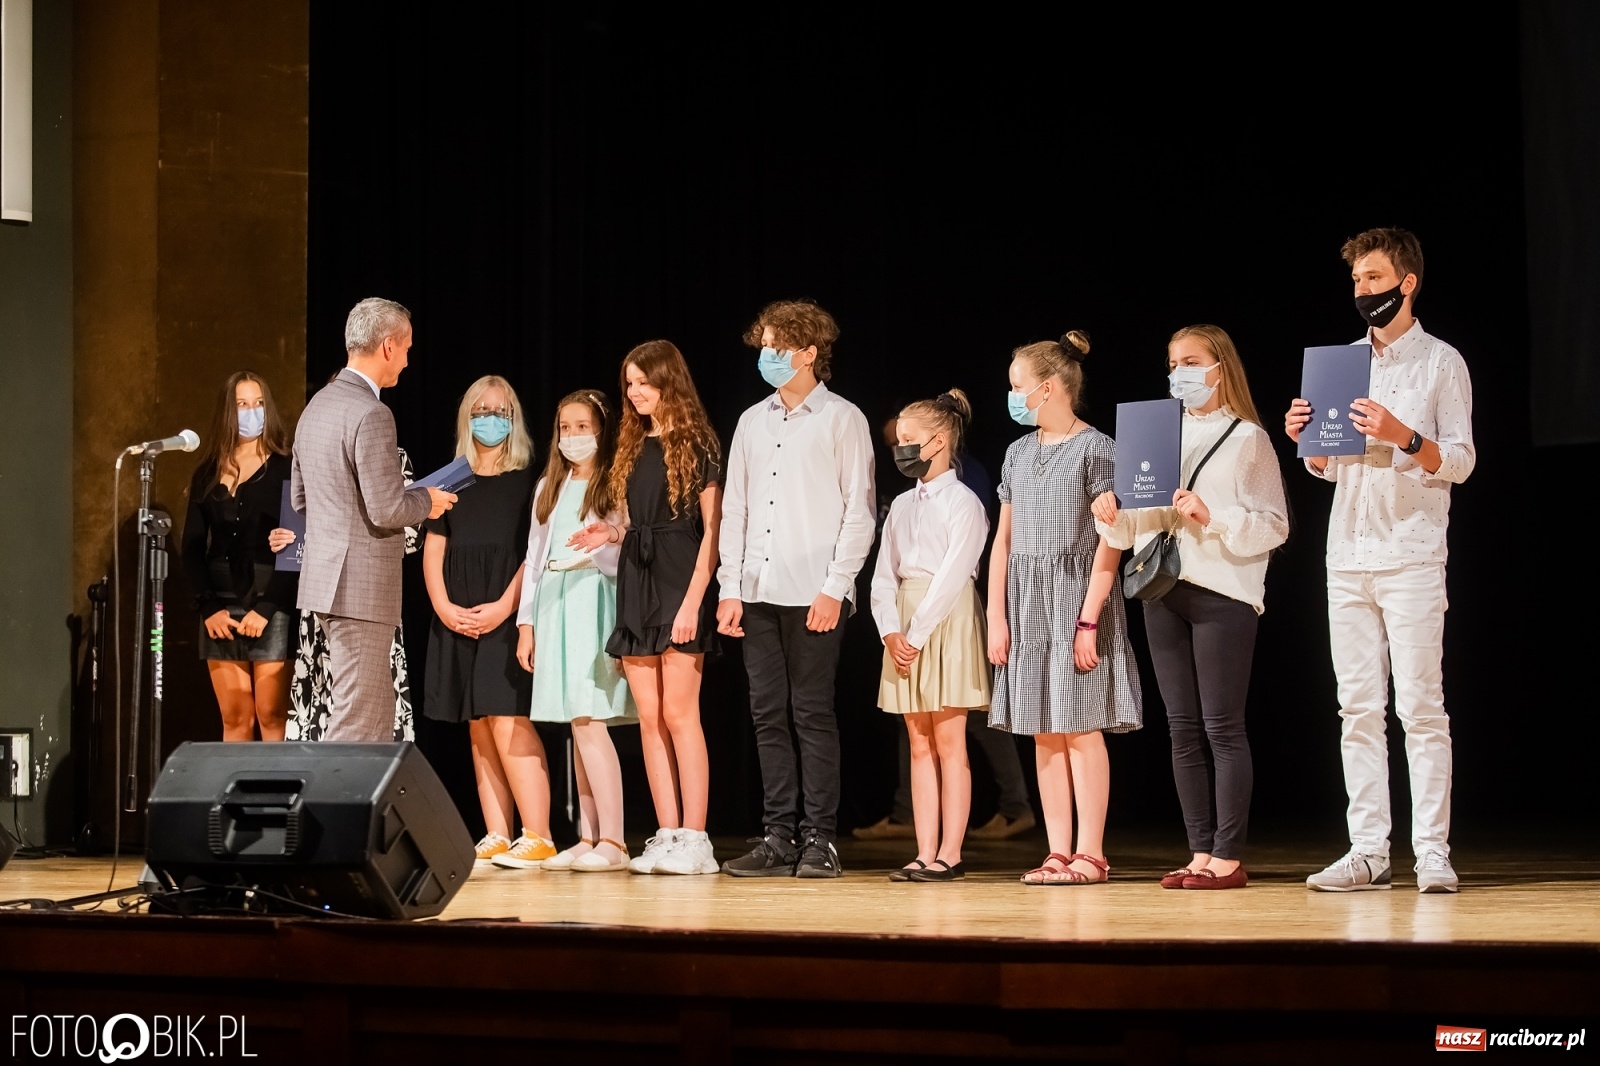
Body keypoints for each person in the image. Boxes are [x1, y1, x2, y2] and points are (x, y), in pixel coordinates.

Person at [1285, 228, 1474, 893]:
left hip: (1414, 554)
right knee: (1357, 708)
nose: (1363, 291)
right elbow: (1332, 467)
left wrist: (1403, 436)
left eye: (1373, 278)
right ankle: (1367, 849)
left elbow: (1460, 460)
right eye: (1357, 281)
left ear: (1407, 282)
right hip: (1349, 553)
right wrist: (1311, 443)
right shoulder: (1340, 362)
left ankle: (1431, 853)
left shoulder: (1441, 362)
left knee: (1421, 708)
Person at [1092, 325, 1288, 890]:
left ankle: (1228, 856)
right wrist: (1112, 511)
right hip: (1162, 590)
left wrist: (1213, 516)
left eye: (1191, 361)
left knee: (1221, 726)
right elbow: (1133, 528)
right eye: (1173, 362)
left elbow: (1274, 525)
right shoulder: (1156, 434)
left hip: (1223, 591)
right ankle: (1199, 852)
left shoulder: (1247, 437)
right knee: (1181, 730)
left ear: (1219, 366)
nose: (1180, 372)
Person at [717, 299, 875, 879]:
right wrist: (729, 587)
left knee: (811, 713)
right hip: (756, 589)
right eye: (763, 346)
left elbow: (860, 512)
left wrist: (836, 587)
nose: (767, 356)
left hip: (815, 592)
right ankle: (777, 834)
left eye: (778, 347)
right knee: (766, 716)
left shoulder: (843, 419)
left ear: (809, 353)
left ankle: (819, 839)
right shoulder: (750, 421)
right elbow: (735, 509)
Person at [988, 331, 1141, 886]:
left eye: (1017, 386)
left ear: (1048, 388)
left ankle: (1091, 852)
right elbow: (1003, 540)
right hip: (1026, 603)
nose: (1012, 395)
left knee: (1080, 728)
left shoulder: (1097, 447)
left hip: (1075, 597)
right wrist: (996, 615)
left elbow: (1111, 539)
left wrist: (1089, 619)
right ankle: (1056, 850)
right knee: (1043, 731)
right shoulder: (1017, 451)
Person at [290, 298, 454, 742]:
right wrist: (427, 500)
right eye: (405, 349)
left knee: (369, 714)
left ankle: (353, 810)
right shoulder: (372, 413)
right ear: (387, 346)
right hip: (359, 588)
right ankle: (333, 812)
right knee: (361, 722)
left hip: (327, 584)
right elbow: (387, 509)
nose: (405, 360)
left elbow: (301, 499)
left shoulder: (317, 407)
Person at [588, 341, 722, 876]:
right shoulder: (632, 443)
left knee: (680, 714)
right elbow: (632, 519)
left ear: (669, 381)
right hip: (637, 582)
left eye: (644, 381)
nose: (635, 392)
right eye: (629, 383)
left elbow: (711, 531)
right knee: (649, 717)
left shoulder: (700, 442)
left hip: (679, 577)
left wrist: (694, 600)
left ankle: (697, 837)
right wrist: (612, 530)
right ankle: (667, 832)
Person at [421, 376, 544, 867]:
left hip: (505, 613)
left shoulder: (530, 482)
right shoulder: (449, 479)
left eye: (499, 411)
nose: (489, 419)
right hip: (458, 613)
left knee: (507, 718)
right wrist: (444, 607)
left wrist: (503, 609)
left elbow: (532, 556)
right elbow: (434, 548)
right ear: (465, 417)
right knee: (477, 722)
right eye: (479, 411)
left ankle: (538, 831)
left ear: (513, 419)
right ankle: (497, 831)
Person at [514, 389, 637, 873]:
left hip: (593, 599)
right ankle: (588, 836)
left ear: (602, 431)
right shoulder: (551, 483)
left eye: (583, 427)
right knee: (574, 723)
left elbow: (622, 549)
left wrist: (601, 546)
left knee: (590, 719)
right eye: (566, 428)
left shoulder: (613, 483)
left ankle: (615, 839)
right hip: (555, 604)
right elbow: (535, 556)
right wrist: (527, 623)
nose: (573, 437)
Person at [870, 390, 991, 882]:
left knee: (948, 740)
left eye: (909, 440)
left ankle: (950, 852)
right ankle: (923, 849)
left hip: (945, 618)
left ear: (938, 441)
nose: (900, 449)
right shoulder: (901, 504)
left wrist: (916, 634)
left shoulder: (964, 502)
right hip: (904, 622)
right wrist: (890, 631)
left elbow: (954, 575)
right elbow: (883, 574)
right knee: (917, 742)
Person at [274, 442, 420, 743]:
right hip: (320, 601)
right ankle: (322, 786)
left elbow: (411, 535)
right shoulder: (314, 455)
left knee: (367, 705)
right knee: (320, 702)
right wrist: (284, 540)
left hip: (368, 598)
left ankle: (362, 785)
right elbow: (300, 513)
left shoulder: (391, 456)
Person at [181, 372, 296, 742]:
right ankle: (239, 800)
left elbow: (296, 548)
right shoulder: (208, 472)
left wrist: (266, 610)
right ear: (228, 412)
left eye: (259, 404)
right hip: (219, 602)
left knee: (271, 714)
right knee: (235, 716)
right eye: (242, 405)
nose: (251, 412)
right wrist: (208, 607)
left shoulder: (286, 468)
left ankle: (275, 799)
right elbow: (193, 548)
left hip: (270, 598)